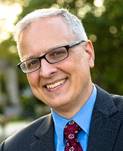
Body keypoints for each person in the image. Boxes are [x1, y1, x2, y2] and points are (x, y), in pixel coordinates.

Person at [0, 8, 123, 151]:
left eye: (57, 53)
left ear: (88, 53)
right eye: (33, 62)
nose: (45, 72)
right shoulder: (13, 148)